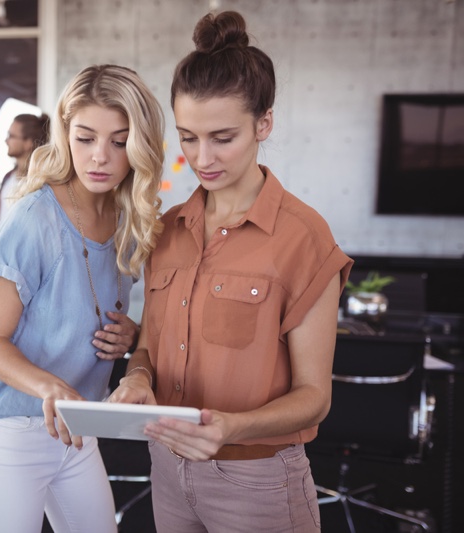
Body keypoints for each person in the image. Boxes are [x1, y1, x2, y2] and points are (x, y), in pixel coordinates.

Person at [107, 11, 354, 532]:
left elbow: (315, 399)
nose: (202, 157)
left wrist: (234, 427)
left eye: (223, 137)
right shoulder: (169, 230)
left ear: (264, 123)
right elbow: (148, 346)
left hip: (258, 482)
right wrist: (136, 378)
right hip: (167, 471)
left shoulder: (304, 238)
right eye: (188, 137)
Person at [0, 64, 165, 532]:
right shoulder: (33, 218)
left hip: (77, 429)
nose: (100, 157)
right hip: (9, 430)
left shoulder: (127, 220)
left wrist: (129, 334)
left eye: (119, 141)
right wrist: (50, 387)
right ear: (64, 133)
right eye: (85, 137)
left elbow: (94, 310)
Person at [0, 112, 50, 230]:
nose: (6, 141)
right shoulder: (8, 177)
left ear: (28, 143)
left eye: (11, 136)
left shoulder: (44, 181)